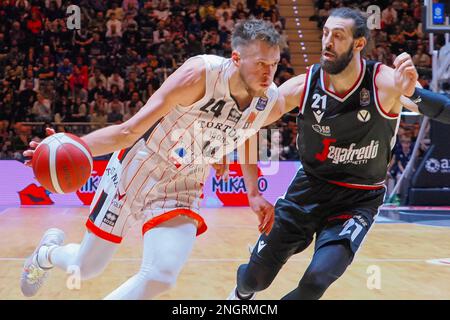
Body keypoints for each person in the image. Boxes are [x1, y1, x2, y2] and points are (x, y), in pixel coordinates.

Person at [20, 19, 283, 299]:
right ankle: (47, 253)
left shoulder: (269, 98)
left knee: (161, 276)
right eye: (261, 64)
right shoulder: (200, 75)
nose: (269, 73)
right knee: (85, 267)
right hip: (139, 165)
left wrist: (251, 190)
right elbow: (128, 130)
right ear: (236, 58)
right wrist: (67, 147)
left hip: (185, 184)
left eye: (275, 64)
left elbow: (251, 127)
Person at [228, 8, 450, 300]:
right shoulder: (304, 86)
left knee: (316, 281)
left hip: (358, 200)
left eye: (338, 35)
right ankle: (240, 294)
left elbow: (442, 109)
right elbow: (249, 123)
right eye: (325, 34)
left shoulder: (384, 82)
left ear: (359, 44)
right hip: (308, 190)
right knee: (254, 279)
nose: (328, 42)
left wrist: (413, 94)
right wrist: (253, 190)